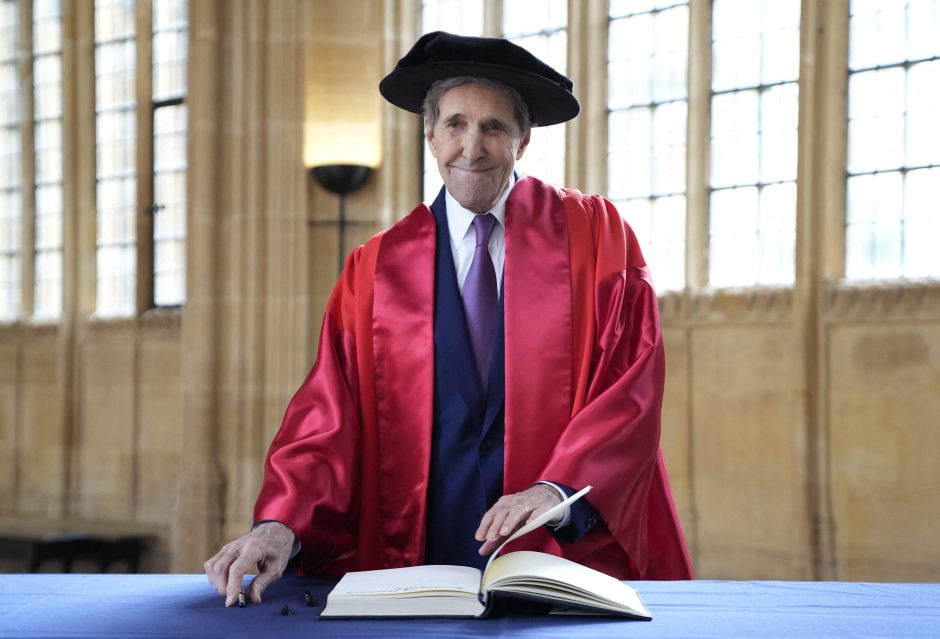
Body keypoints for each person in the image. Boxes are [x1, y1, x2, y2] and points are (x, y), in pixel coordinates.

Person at [205, 31, 693, 607]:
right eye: (456, 124)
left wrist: (557, 490)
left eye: (494, 127)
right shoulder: (375, 268)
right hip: (418, 556)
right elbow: (329, 414)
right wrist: (280, 523)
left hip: (554, 552)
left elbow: (629, 383)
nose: (472, 147)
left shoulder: (593, 236)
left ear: (523, 140)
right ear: (431, 137)